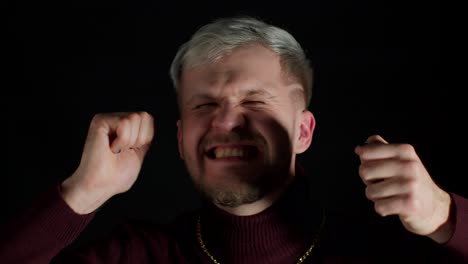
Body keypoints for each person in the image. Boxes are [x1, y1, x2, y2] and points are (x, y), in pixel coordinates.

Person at [1, 16, 466, 264]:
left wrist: (447, 219)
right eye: (203, 105)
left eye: (255, 102)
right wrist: (81, 194)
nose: (226, 121)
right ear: (182, 139)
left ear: (303, 131)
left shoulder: (383, 252)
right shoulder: (136, 255)